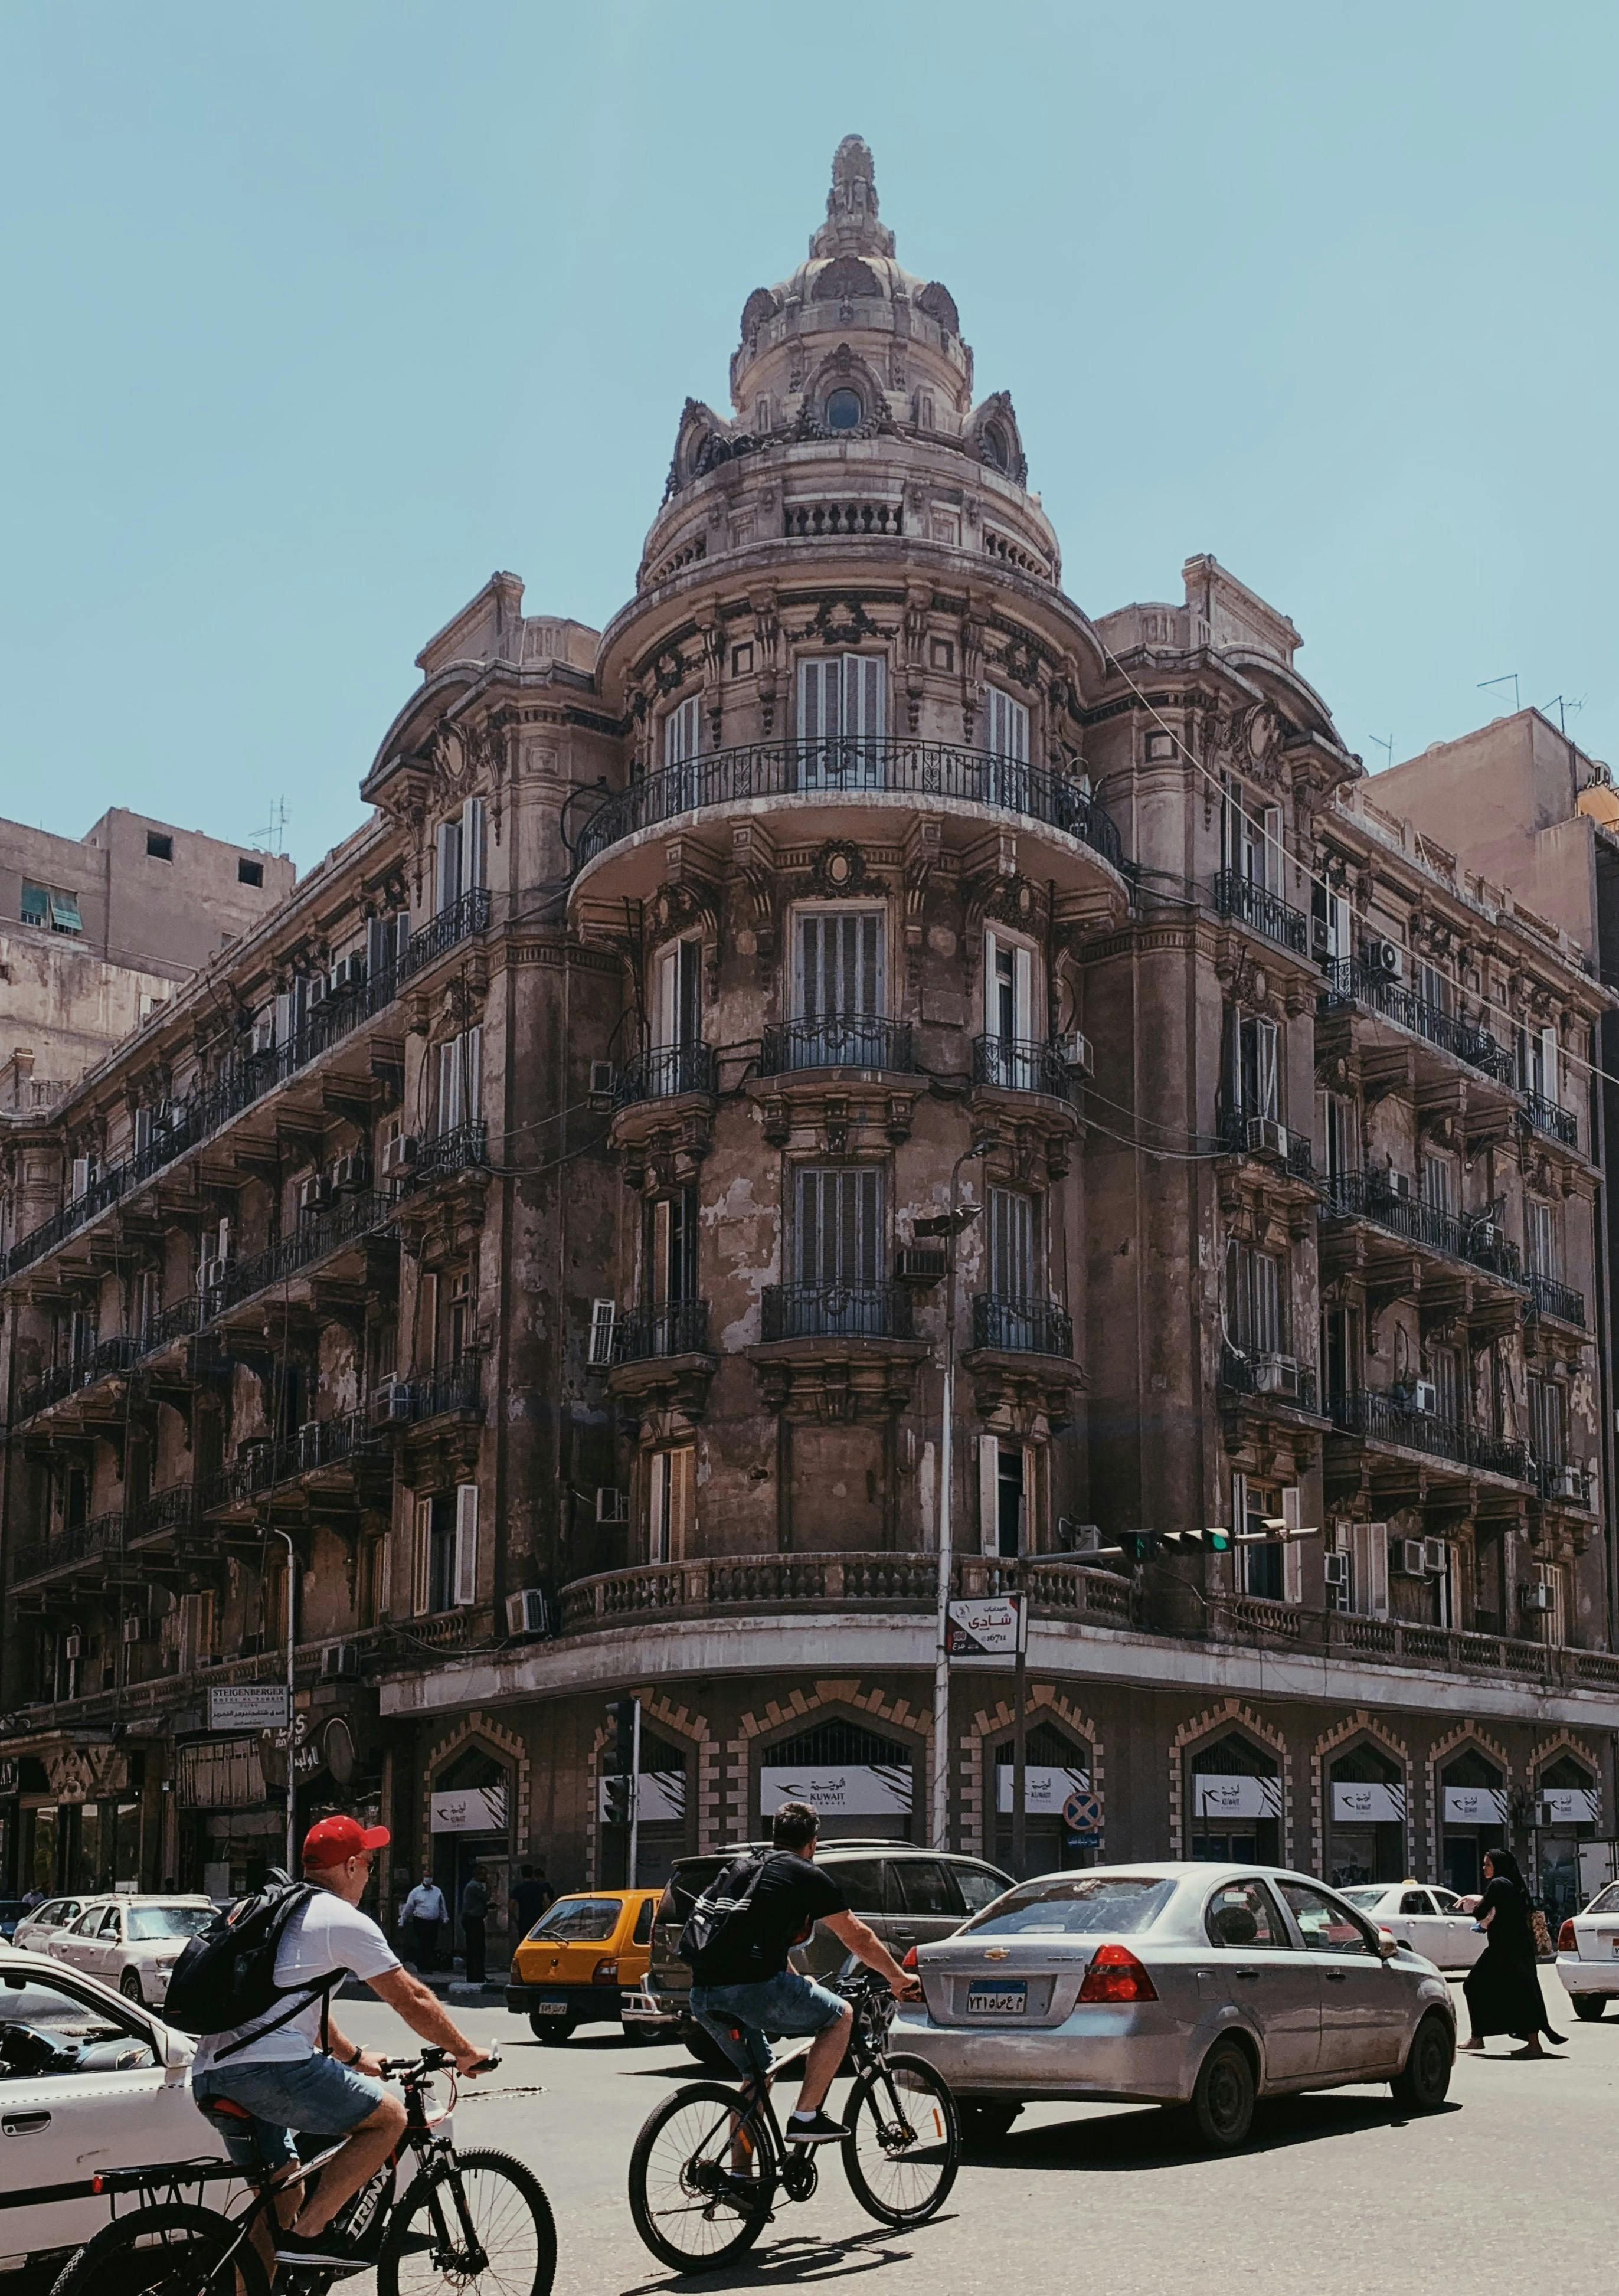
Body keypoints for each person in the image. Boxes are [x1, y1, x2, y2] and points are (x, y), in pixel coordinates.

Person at [189, 1816, 487, 2275]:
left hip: (211, 2072)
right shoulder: (341, 1920)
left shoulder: (275, 1910)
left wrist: (352, 2058)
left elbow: (299, 2010)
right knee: (389, 2119)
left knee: (282, 2198)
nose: (371, 1873)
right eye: (369, 1862)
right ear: (350, 1866)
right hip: (268, 2072)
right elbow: (410, 1996)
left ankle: (266, 2269)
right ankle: (311, 2237)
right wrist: (465, 2052)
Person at [685, 1800, 920, 2144]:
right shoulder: (805, 1874)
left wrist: (796, 1979)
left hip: (703, 1993)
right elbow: (857, 1936)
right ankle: (806, 2118)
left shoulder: (744, 1868)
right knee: (841, 2016)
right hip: (754, 1989)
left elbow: (756, 1942)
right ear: (813, 1842)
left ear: (775, 1836)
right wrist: (900, 1980)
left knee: (758, 2077)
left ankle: (741, 2178)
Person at [1461, 1847, 1568, 2059]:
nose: (1484, 1868)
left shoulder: (1499, 1884)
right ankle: (1528, 2042)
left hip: (1503, 1949)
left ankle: (1479, 2037)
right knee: (1523, 1991)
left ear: (1498, 1866)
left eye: (1488, 1864)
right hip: (1519, 1948)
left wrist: (1474, 1903)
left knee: (1473, 1985)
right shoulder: (1514, 1885)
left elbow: (1481, 1912)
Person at [399, 1870, 447, 1971]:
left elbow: (442, 1906)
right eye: (426, 1876)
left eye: (430, 1876)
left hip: (434, 1921)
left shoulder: (437, 1891)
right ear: (423, 1877)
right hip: (421, 1921)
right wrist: (402, 1920)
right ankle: (424, 1966)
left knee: (432, 1943)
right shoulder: (416, 1892)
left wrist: (445, 1919)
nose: (428, 1878)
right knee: (423, 1943)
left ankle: (427, 1963)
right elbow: (409, 1907)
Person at [460, 1868, 489, 1984]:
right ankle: (476, 1975)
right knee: (476, 1948)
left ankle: (478, 1975)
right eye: (484, 1875)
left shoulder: (473, 1885)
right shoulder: (475, 1886)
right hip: (473, 1920)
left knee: (476, 1948)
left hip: (474, 1919)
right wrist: (490, 1886)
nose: (486, 1877)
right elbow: (486, 1897)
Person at [512, 1863, 552, 1937]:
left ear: (522, 1875)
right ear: (532, 1874)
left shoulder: (518, 1889)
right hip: (537, 1920)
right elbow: (547, 1902)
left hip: (524, 1921)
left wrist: (515, 1920)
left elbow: (511, 1906)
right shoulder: (540, 1887)